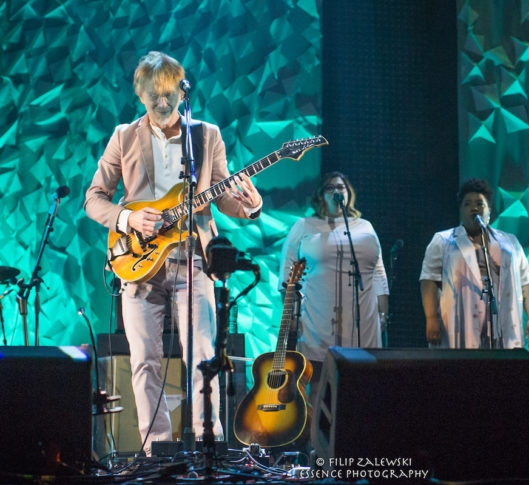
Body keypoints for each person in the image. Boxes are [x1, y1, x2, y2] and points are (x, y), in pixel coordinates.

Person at [84, 51, 262, 454]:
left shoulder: (206, 135)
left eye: (169, 96)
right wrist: (129, 220)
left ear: (182, 92)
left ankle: (206, 444)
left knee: (203, 356)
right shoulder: (123, 136)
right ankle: (156, 450)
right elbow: (94, 199)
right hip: (138, 262)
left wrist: (250, 206)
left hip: (193, 261)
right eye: (154, 98)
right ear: (140, 95)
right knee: (145, 360)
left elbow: (223, 196)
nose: (163, 105)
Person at [279, 172, 389, 397]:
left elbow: (378, 273)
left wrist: (383, 313)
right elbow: (286, 277)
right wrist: (290, 315)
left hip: (363, 318)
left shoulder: (365, 226)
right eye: (331, 188)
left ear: (349, 195)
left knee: (362, 380)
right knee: (319, 380)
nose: (337, 191)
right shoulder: (305, 226)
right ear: (321, 196)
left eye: (342, 187)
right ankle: (318, 431)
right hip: (317, 316)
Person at [420, 178, 529, 349]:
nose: (474, 208)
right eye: (467, 204)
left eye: (480, 204)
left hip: (502, 319)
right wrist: (431, 318)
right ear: (461, 210)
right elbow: (428, 280)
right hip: (462, 319)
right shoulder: (443, 241)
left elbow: (525, 282)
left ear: (489, 210)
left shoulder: (510, 243)